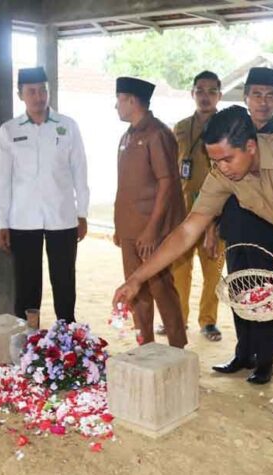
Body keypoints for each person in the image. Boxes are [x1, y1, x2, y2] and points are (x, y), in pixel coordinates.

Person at [113, 106, 273, 451]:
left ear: (250, 146)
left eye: (226, 159)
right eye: (214, 161)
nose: (221, 168)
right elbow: (189, 228)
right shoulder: (223, 173)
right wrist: (137, 278)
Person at [212, 67, 273, 384]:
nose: (264, 101)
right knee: (239, 292)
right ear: (245, 98)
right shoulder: (231, 135)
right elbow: (218, 185)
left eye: (270, 95)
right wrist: (214, 227)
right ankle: (243, 354)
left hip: (268, 232)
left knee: (267, 297)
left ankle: (266, 361)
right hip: (235, 228)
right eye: (257, 94)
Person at [0, 67, 89, 323]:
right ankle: (28, 340)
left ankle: (66, 338)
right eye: (32, 91)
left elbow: (80, 172)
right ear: (20, 94)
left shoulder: (67, 126)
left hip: (63, 218)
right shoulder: (9, 130)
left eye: (43, 90)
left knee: (64, 280)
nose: (39, 96)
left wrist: (82, 213)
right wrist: (1, 221)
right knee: (26, 285)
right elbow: (0, 180)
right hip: (22, 220)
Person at [113, 76, 187, 348]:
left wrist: (153, 229)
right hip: (131, 230)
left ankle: (178, 349)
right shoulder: (128, 135)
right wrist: (119, 226)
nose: (116, 106)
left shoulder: (158, 134)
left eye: (119, 100)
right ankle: (146, 346)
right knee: (136, 290)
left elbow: (168, 182)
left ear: (131, 100)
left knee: (161, 288)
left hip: (151, 231)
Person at [169, 71, 224, 342]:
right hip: (183, 212)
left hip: (215, 212)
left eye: (212, 91)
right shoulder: (179, 127)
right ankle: (178, 319)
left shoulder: (227, 128)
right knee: (180, 271)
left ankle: (208, 321)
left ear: (219, 96)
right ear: (192, 93)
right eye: (200, 90)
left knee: (213, 271)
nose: (205, 96)